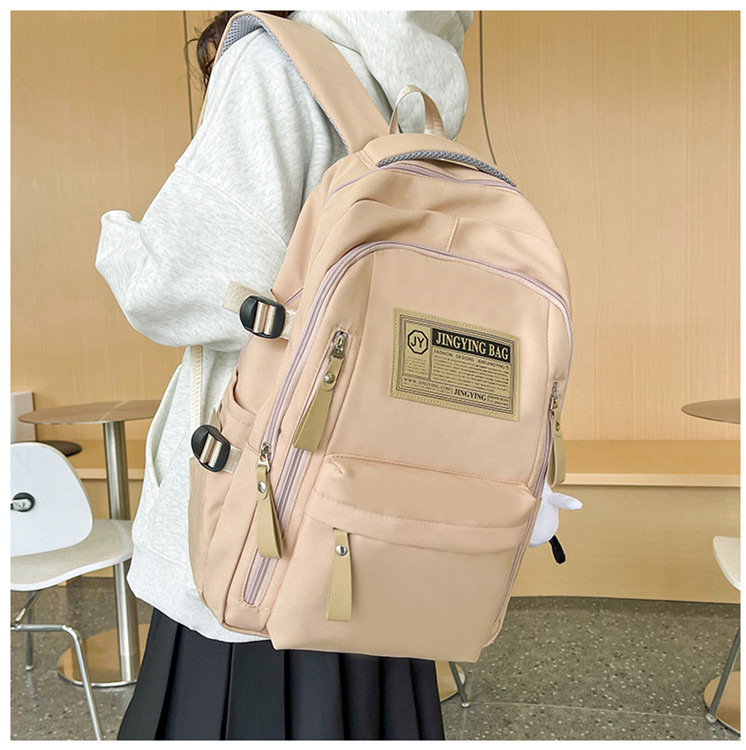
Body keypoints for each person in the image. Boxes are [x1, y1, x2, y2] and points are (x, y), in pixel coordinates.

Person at [95, 10, 474, 740]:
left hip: (261, 514)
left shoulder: (275, 64)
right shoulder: (420, 93)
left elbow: (184, 281)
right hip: (378, 497)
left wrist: (118, 240)